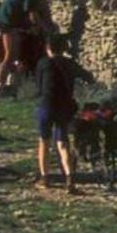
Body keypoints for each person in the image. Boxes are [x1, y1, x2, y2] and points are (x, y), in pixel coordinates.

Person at [0, 0, 60, 94]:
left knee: (21, 52)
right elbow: (32, 14)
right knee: (10, 55)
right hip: (7, 22)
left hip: (16, 21)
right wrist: (46, 28)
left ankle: (12, 85)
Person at [34, 33, 81, 194]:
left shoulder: (43, 63)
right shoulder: (70, 64)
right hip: (63, 106)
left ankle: (44, 179)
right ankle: (70, 180)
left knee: (44, 142)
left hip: (47, 105)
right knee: (63, 142)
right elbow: (86, 76)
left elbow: (39, 87)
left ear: (48, 48)